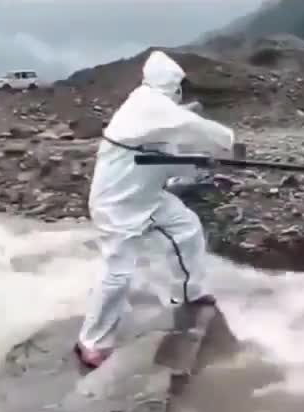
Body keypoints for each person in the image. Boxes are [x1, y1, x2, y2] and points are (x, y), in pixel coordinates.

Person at [75, 50, 235, 368]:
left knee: (186, 228)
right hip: (116, 204)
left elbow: (172, 158)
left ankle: (190, 291)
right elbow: (191, 125)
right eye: (178, 86)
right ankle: (91, 341)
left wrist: (201, 166)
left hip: (148, 197)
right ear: (168, 84)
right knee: (118, 274)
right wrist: (227, 141)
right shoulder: (148, 105)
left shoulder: (157, 116)